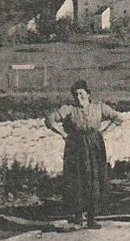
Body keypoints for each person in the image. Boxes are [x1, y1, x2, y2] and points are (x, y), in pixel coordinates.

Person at [45, 79, 122, 230]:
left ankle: (92, 218)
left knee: (94, 178)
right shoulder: (69, 109)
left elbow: (118, 118)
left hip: (94, 146)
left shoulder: (99, 107)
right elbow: (49, 120)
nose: (78, 97)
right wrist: (63, 134)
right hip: (76, 147)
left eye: (81, 94)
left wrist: (104, 133)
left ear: (88, 94)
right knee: (77, 180)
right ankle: (78, 216)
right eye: (75, 95)